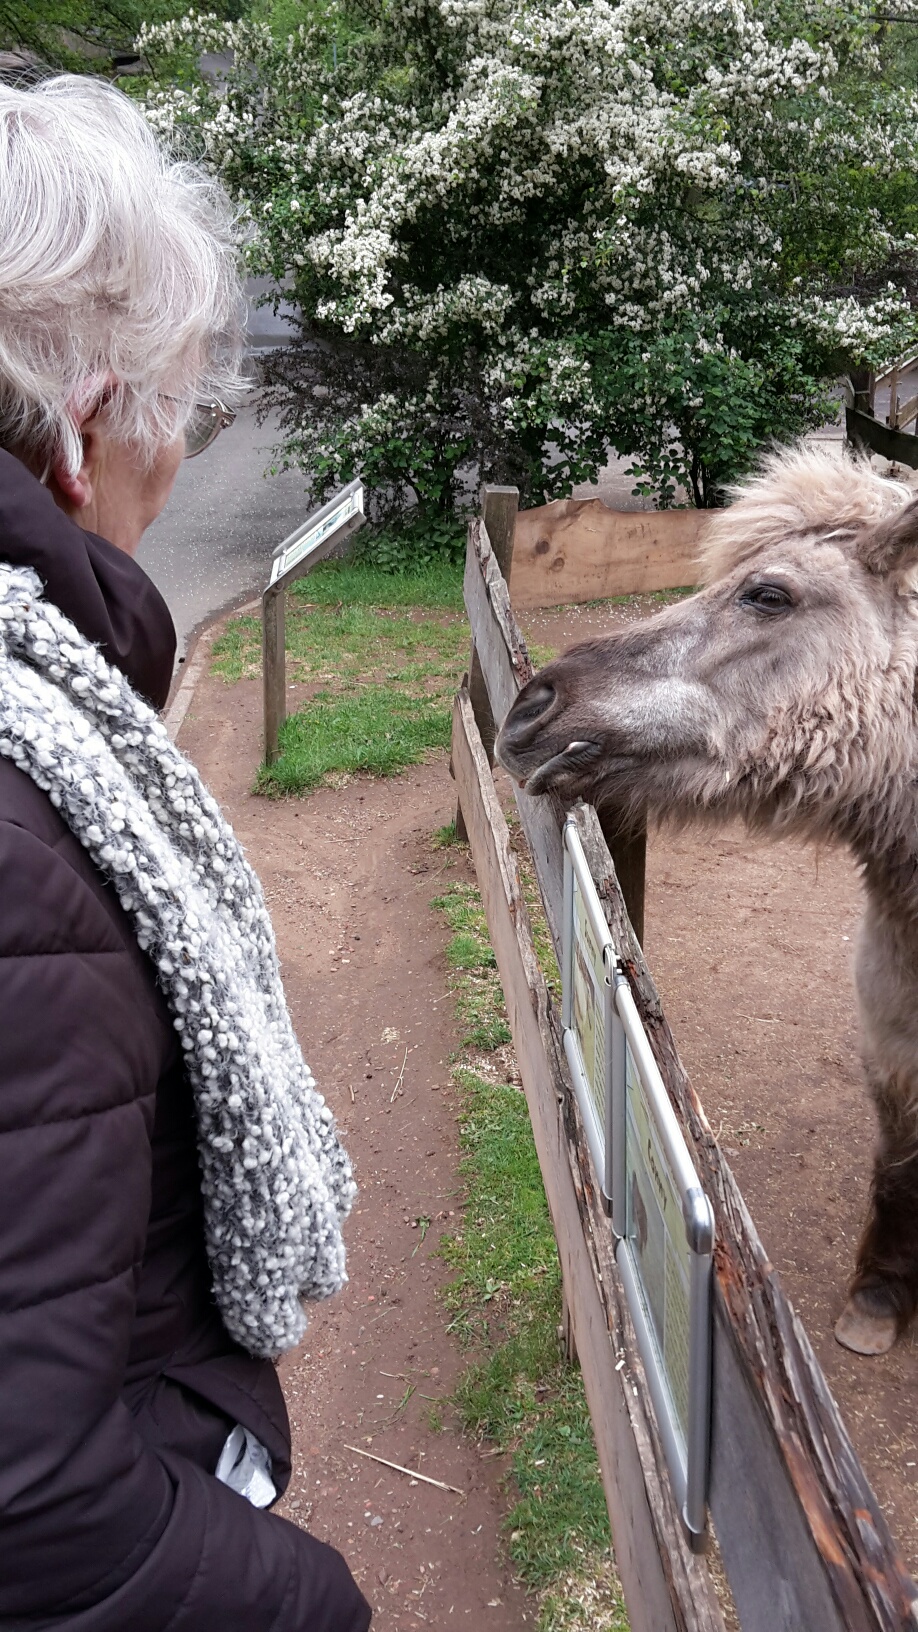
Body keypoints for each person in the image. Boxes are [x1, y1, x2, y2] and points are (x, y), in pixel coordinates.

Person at [0, 74, 371, 1630]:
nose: (183, 458)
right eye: (187, 413)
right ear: (87, 428)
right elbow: (35, 1513)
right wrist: (311, 1605)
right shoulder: (26, 819)